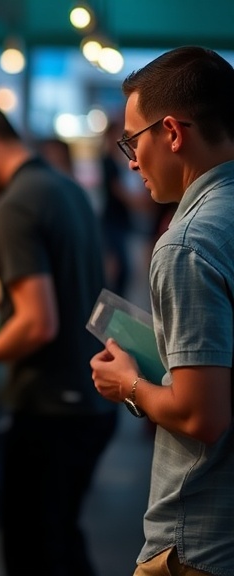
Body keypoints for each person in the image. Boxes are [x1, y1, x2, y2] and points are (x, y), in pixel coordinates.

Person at [0, 101, 117, 576]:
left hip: (51, 408)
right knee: (62, 543)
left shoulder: (14, 204)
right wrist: (5, 287)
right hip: (90, 403)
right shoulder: (63, 186)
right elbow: (68, 277)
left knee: (36, 555)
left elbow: (39, 323)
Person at [90, 46, 234, 576]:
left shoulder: (186, 243)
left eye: (134, 140)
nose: (131, 160)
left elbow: (203, 415)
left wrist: (128, 383)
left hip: (200, 542)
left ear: (172, 133)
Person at [100, 119, 136, 297]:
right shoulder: (108, 161)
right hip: (112, 221)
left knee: (123, 269)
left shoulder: (117, 161)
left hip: (119, 221)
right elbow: (118, 190)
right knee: (118, 268)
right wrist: (140, 202)